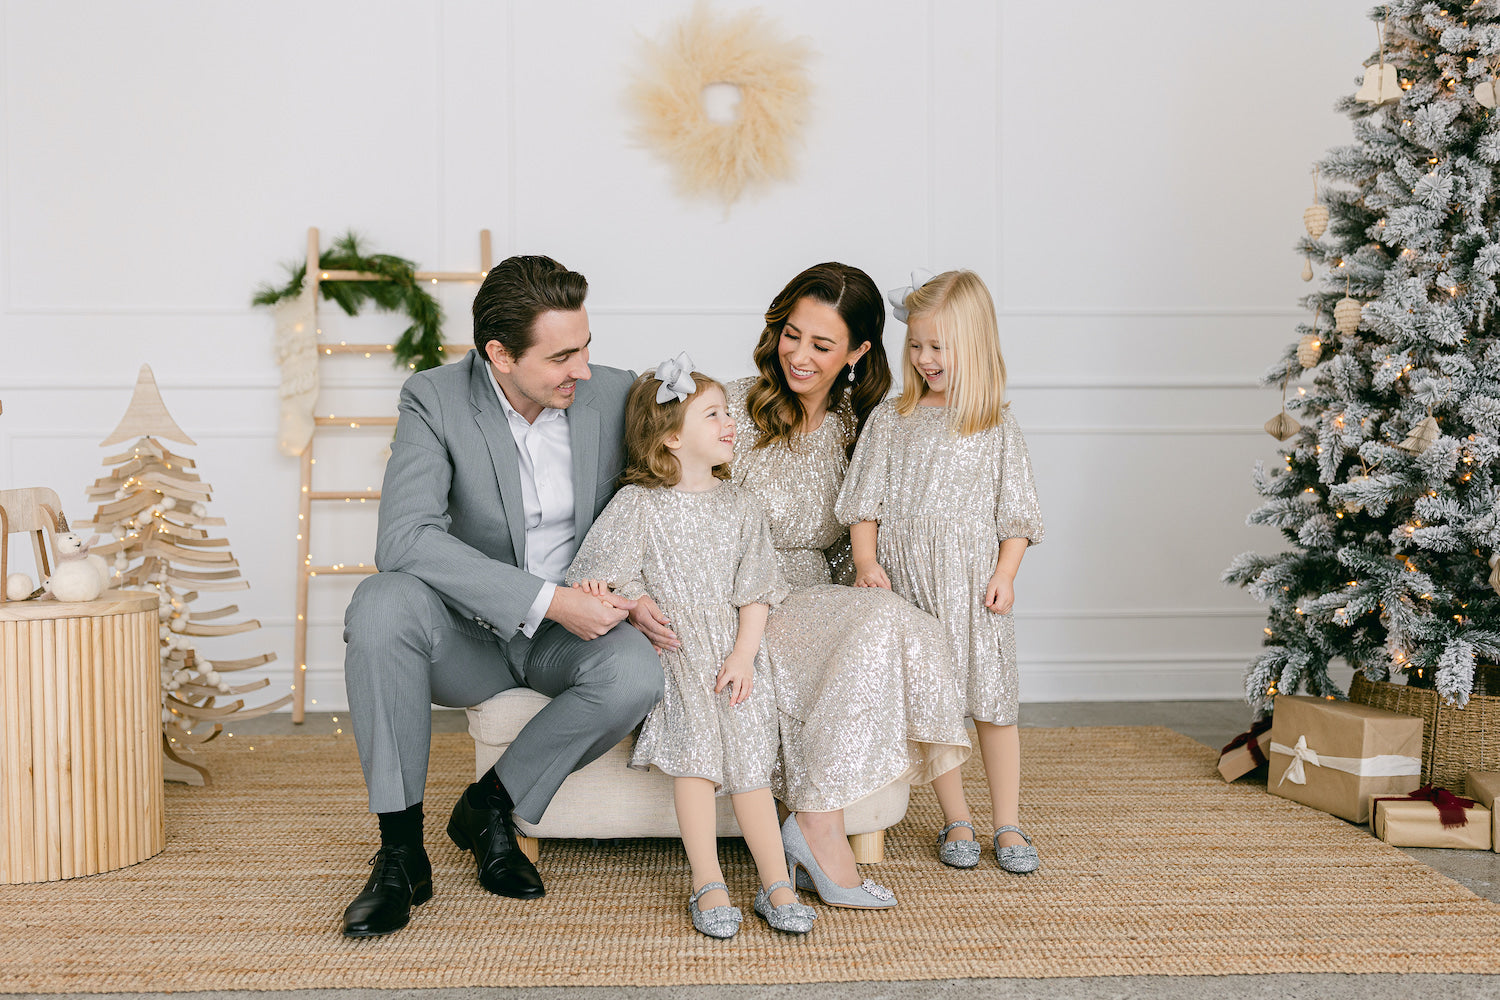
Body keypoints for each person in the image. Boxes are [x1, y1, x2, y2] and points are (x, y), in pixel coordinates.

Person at [338, 255, 664, 938]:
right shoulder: (434, 397)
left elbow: (665, 495)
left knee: (635, 671)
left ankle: (490, 804)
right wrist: (546, 599)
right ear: (500, 355)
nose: (582, 369)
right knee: (380, 603)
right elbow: (404, 538)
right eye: (562, 355)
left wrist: (631, 592)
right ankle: (401, 853)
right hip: (468, 634)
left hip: (568, 636)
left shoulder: (615, 393)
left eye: (586, 348)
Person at [717, 262, 973, 909]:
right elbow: (678, 509)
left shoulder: (864, 427)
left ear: (858, 352)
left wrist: (870, 578)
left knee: (904, 623)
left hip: (817, 598)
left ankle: (942, 815)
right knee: (884, 621)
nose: (799, 355)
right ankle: (818, 827)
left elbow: (859, 541)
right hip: (738, 600)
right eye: (792, 334)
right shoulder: (733, 409)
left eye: (822, 345)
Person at [566, 357, 817, 938]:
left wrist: (743, 655)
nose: (731, 423)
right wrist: (634, 604)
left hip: (735, 655)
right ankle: (708, 881)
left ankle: (775, 881)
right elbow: (599, 577)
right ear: (673, 436)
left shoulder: (742, 506)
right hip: (678, 657)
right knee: (698, 764)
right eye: (714, 414)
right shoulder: (639, 505)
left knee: (753, 769)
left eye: (729, 413)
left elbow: (757, 591)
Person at [837, 269, 1045, 873]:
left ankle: (1007, 821)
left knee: (992, 705)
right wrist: (868, 561)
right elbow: (864, 502)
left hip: (975, 588)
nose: (925, 359)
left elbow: (1018, 515)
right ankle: (956, 817)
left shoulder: (995, 425)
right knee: (936, 705)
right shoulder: (893, 419)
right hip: (912, 587)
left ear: (974, 345)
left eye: (938, 347)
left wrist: (1006, 574)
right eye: (916, 346)